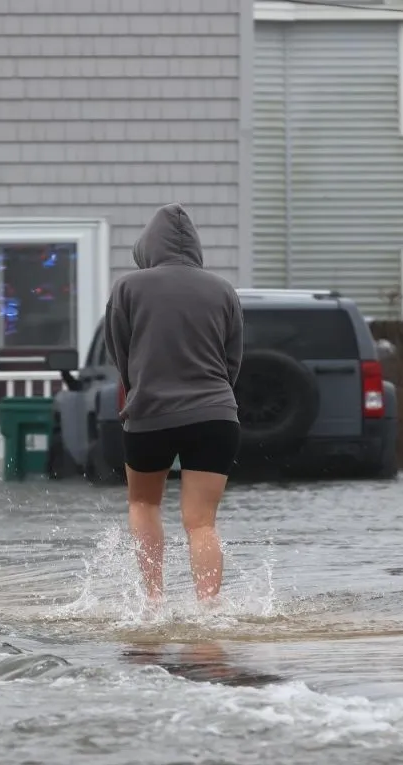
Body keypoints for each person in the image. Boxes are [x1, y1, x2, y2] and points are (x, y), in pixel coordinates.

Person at [103, 202, 244, 607]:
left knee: (144, 503)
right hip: (216, 415)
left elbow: (120, 350)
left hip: (150, 415)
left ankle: (153, 601)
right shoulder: (223, 290)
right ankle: (209, 607)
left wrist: (139, 389)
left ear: (148, 246)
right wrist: (214, 398)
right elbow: (232, 359)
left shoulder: (128, 288)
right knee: (202, 522)